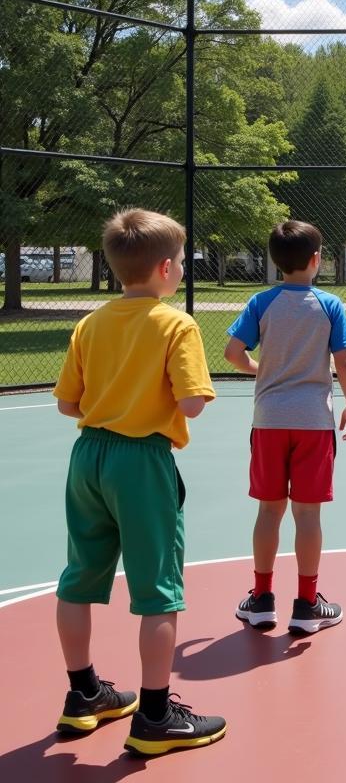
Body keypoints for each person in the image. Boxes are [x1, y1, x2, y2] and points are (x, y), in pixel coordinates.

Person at [52, 208, 225, 756]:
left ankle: (83, 695)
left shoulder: (91, 322)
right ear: (168, 268)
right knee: (158, 592)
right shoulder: (176, 324)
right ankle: (154, 716)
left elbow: (66, 403)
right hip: (141, 461)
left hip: (88, 458)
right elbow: (193, 404)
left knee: (79, 576)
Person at [225, 220, 346, 635]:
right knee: (307, 514)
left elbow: (232, 351)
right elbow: (345, 361)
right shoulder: (329, 304)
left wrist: (259, 369)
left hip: (269, 421)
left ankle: (262, 599)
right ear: (316, 260)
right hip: (313, 422)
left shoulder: (261, 302)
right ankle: (306, 604)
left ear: (273, 261)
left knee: (269, 510)